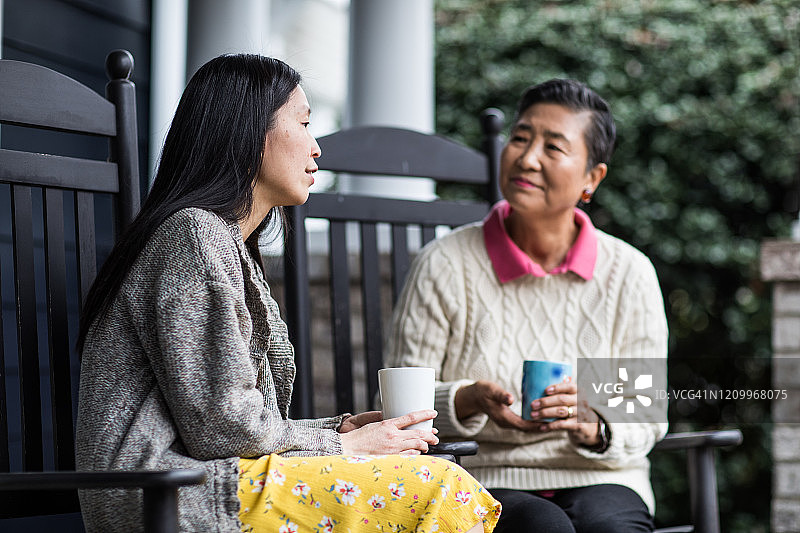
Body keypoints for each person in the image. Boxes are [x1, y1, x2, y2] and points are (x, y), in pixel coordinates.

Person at [75, 54, 500, 533]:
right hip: (171, 494)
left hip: (209, 479)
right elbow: (222, 429)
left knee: (428, 480)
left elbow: (233, 426)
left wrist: (336, 430)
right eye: (303, 124)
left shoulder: (224, 243)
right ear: (250, 136)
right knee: (438, 487)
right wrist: (346, 448)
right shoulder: (193, 236)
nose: (317, 148)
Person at [385, 79, 668, 533]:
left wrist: (594, 422)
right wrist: (465, 399)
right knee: (542, 527)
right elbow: (399, 409)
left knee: (610, 528)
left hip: (603, 477)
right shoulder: (445, 262)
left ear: (591, 178)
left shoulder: (628, 273)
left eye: (553, 147)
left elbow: (643, 413)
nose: (527, 157)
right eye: (520, 137)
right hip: (476, 475)